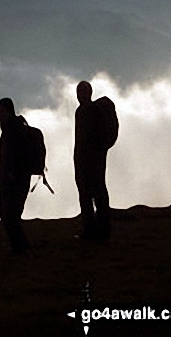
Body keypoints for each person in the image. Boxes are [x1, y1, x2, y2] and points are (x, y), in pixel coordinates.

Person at [74, 81, 111, 241]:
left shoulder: (93, 111)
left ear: (89, 92)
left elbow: (93, 138)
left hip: (94, 161)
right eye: (78, 92)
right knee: (87, 196)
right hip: (84, 161)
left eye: (82, 91)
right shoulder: (80, 111)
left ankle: (100, 231)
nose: (80, 95)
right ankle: (91, 230)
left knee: (97, 194)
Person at [0, 97, 31, 253]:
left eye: (2, 111)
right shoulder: (11, 128)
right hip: (11, 180)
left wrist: (11, 174)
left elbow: (16, 157)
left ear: (9, 111)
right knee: (9, 214)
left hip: (15, 181)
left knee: (10, 215)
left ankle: (20, 247)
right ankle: (18, 246)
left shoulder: (13, 130)